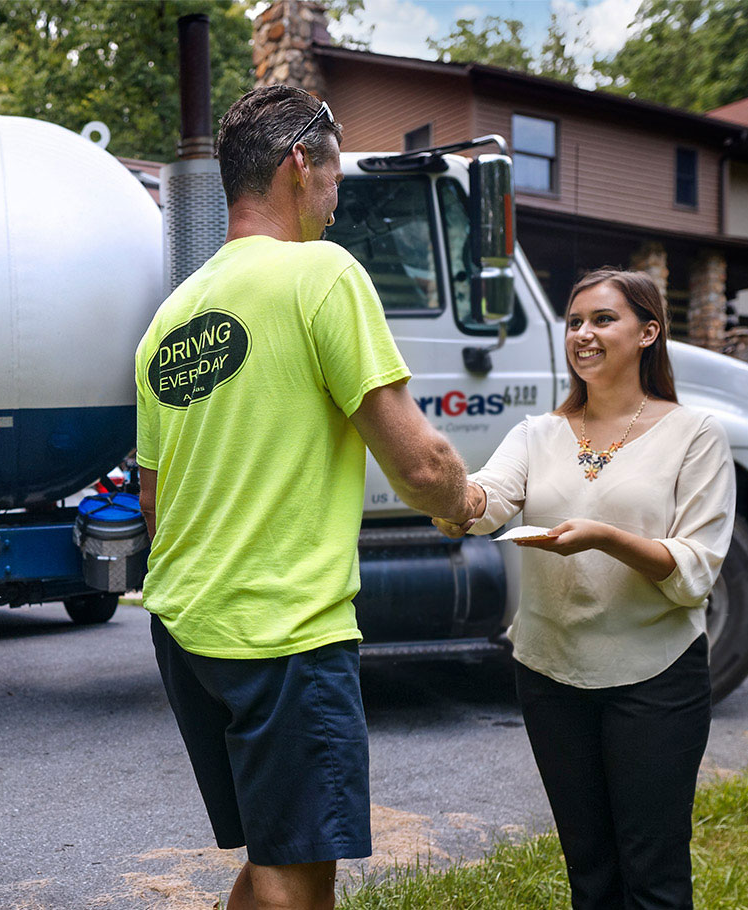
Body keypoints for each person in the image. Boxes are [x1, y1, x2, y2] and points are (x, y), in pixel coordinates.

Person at [134, 85, 476, 910]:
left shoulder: (169, 319)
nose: (338, 191)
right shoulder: (320, 273)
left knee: (272, 855)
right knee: (298, 873)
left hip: (190, 631)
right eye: (333, 171)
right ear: (299, 163)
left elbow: (156, 502)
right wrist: (467, 505)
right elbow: (422, 465)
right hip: (283, 632)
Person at [435, 268, 734, 910]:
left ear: (648, 332)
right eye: (574, 322)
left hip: (656, 676)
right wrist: (444, 490)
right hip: (550, 672)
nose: (583, 334)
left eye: (603, 319)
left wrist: (604, 536)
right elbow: (485, 502)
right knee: (589, 873)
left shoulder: (696, 434)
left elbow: (695, 570)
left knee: (652, 877)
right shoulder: (535, 433)